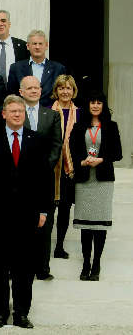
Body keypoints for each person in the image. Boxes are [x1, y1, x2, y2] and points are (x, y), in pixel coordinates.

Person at [0, 95, 50, 329]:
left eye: (21, 110)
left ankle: (21, 313)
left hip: (28, 214)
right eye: (13, 111)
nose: (18, 114)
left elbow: (45, 179)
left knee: (24, 267)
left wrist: (43, 210)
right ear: (4, 114)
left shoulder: (37, 140)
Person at [70, 91, 122, 281]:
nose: (95, 105)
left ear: (103, 106)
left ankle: (97, 263)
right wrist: (81, 162)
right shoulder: (79, 126)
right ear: (88, 105)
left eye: (99, 103)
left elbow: (118, 153)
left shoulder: (111, 126)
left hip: (103, 180)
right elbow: (73, 149)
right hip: (85, 180)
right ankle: (85, 263)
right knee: (85, 224)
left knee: (100, 225)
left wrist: (101, 159)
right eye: (92, 102)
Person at [19, 76, 62, 281]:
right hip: (19, 178)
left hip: (44, 178)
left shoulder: (52, 115)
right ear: (21, 92)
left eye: (37, 87)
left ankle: (42, 268)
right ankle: (18, 267)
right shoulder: (15, 113)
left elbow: (56, 145)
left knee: (44, 224)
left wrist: (45, 168)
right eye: (29, 88)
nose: (34, 91)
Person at [49, 75, 81, 259]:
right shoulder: (48, 111)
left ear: (73, 91)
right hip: (52, 168)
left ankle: (59, 246)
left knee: (65, 210)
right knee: (50, 209)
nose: (65, 91)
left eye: (68, 88)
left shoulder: (80, 113)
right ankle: (45, 246)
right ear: (56, 91)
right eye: (61, 88)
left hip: (70, 169)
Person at [7, 30, 67, 106]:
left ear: (46, 46)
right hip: (23, 114)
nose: (37, 47)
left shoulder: (58, 69)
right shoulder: (16, 68)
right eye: (34, 44)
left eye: (40, 44)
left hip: (50, 113)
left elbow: (62, 94)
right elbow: (12, 96)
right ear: (28, 46)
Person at [0, 10, 30, 83]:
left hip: (16, 90)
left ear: (9, 24)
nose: (0, 24)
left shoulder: (22, 46)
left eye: (3, 20)